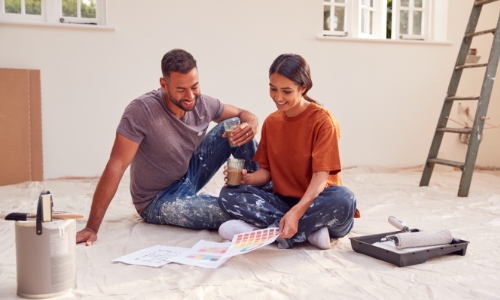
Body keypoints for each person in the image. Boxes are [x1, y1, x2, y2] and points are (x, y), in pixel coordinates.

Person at [76, 49, 260, 246]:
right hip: (157, 200)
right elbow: (117, 165)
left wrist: (252, 123)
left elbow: (243, 113)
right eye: (181, 90)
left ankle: (265, 194)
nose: (190, 96)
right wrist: (91, 227)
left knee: (234, 124)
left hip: (189, 176)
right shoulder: (141, 111)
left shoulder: (203, 103)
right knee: (231, 209)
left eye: (195, 86)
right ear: (164, 84)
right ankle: (263, 210)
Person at [217, 53, 360, 250]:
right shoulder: (272, 122)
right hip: (284, 202)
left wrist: (298, 212)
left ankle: (269, 231)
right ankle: (308, 232)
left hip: (319, 204)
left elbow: (320, 177)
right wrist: (247, 179)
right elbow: (267, 172)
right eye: (273, 89)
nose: (278, 97)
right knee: (228, 194)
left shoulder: (323, 122)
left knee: (345, 198)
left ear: (303, 88)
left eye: (286, 91)